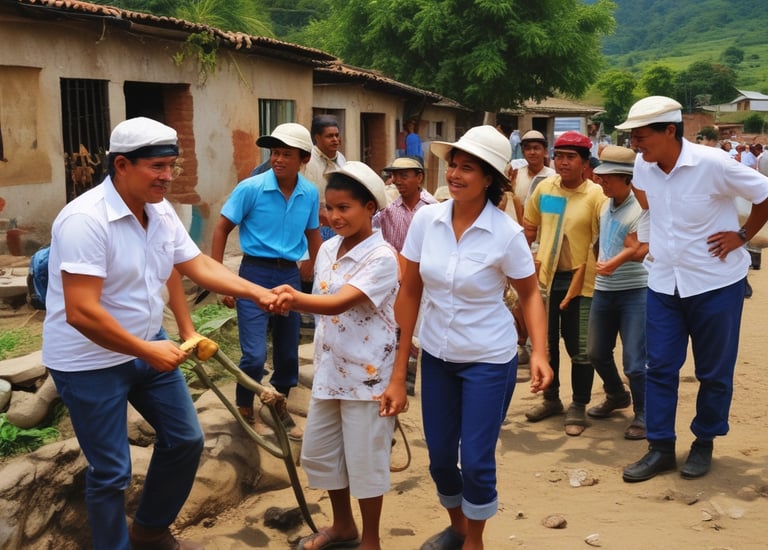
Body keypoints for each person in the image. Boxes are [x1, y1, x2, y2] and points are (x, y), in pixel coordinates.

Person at [42, 117, 283, 550]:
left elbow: (196, 266)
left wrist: (257, 293)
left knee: (186, 439)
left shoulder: (160, 212)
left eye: (171, 165)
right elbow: (80, 312)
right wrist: (145, 350)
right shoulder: (85, 220)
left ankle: (150, 530)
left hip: (146, 344)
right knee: (111, 472)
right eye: (157, 166)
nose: (168, 176)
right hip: (89, 361)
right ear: (121, 164)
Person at [378, 125, 553, 550]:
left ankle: (474, 540)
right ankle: (457, 526)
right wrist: (399, 372)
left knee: (475, 461)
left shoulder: (505, 233)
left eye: (467, 168)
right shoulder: (427, 219)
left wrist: (540, 354)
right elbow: (411, 290)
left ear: (489, 177)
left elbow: (529, 293)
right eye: (452, 165)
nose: (454, 174)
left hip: (489, 361)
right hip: (437, 356)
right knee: (440, 459)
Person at [615, 96, 768, 482]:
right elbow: (647, 199)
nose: (636, 144)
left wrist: (743, 235)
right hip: (664, 283)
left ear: (670, 130)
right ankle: (661, 448)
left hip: (715, 283)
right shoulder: (644, 165)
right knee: (660, 367)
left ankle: (704, 442)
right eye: (633, 137)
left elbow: (764, 194)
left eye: (641, 135)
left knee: (714, 372)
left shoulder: (712, 164)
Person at [274, 162, 398, 550]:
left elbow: (337, 303)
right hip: (330, 371)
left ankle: (371, 540)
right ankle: (343, 526)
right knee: (324, 456)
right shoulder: (327, 247)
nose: (334, 216)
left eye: (345, 207)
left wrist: (289, 299)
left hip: (368, 377)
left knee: (365, 463)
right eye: (329, 208)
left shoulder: (382, 257)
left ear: (369, 208)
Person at [211, 122, 322, 440]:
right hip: (254, 273)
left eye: (287, 154)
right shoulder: (251, 188)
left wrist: (314, 266)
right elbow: (221, 229)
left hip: (289, 273)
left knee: (288, 350)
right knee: (255, 354)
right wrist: (221, 280)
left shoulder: (309, 193)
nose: (278, 159)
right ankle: (245, 406)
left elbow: (313, 233)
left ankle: (278, 401)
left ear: (304, 158)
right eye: (274, 152)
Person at [522, 130, 606, 436]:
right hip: (546, 280)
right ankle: (552, 399)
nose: (563, 163)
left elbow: (604, 240)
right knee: (547, 344)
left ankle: (579, 405)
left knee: (580, 346)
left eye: (571, 157)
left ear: (585, 163)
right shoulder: (545, 189)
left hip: (582, 284)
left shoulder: (596, 195)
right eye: (559, 156)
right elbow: (529, 227)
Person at [586, 145, 649, 440]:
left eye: (609, 177)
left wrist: (613, 262)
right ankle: (616, 395)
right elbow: (604, 240)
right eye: (601, 176)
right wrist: (603, 260)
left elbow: (638, 250)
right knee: (596, 352)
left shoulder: (640, 209)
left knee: (635, 362)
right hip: (604, 289)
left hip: (635, 290)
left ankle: (644, 413)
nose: (602, 181)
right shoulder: (605, 204)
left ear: (627, 179)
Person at [373, 156, 437, 396]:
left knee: (417, 326)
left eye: (404, 175)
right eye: (395, 176)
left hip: (423, 277)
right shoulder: (389, 210)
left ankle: (412, 374)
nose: (398, 181)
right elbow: (372, 228)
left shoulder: (432, 208)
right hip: (394, 278)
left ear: (419, 177)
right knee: (394, 324)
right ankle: (393, 373)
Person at [304, 114, 348, 241]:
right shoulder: (307, 161)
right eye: (329, 136)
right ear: (317, 138)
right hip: (315, 224)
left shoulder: (341, 158)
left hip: (338, 221)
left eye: (336, 135)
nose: (335, 140)